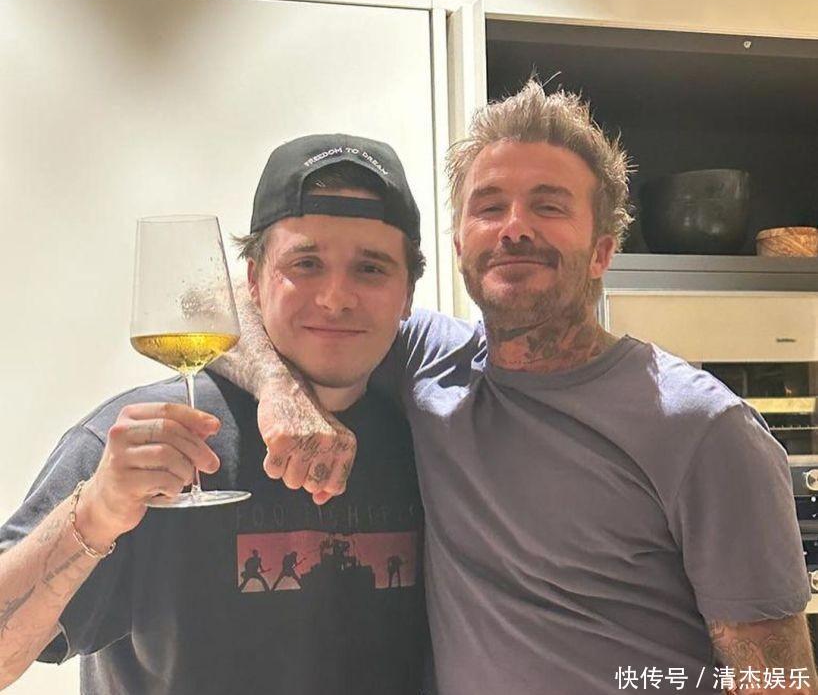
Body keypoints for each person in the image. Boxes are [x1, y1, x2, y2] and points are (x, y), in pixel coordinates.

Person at [219, 82, 816, 694]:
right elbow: (218, 300)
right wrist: (278, 390)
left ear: (602, 251)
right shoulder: (425, 358)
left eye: (549, 206)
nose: (514, 229)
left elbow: (779, 679)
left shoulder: (702, 428)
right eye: (489, 206)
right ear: (459, 247)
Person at [0, 134, 429, 694]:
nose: (335, 297)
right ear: (252, 280)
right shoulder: (139, 442)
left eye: (370, 269)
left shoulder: (430, 436)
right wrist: (96, 514)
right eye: (305, 263)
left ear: (408, 294)